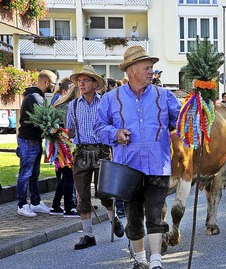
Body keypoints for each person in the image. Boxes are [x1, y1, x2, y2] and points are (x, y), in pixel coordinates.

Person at [95, 46, 180, 269]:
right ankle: (140, 259)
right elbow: (99, 127)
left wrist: (195, 116)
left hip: (157, 165)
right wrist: (115, 133)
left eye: (152, 67)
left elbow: (181, 122)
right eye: (147, 68)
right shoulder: (111, 98)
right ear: (131, 70)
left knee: (155, 214)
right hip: (128, 168)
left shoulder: (165, 96)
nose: (152, 72)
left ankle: (156, 261)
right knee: (133, 217)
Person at [66, 65, 124, 250]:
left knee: (104, 193)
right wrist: (57, 133)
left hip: (102, 150)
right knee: (82, 196)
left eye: (85, 81)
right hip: (81, 152)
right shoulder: (73, 105)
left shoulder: (105, 103)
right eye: (79, 81)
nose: (81, 84)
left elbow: (115, 126)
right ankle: (88, 235)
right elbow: (69, 130)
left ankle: (113, 219)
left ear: (94, 83)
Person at [16, 70, 57, 217]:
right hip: (29, 141)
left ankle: (35, 202)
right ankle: (22, 205)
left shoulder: (35, 96)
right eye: (53, 83)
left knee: (34, 174)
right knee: (25, 174)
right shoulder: (35, 98)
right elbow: (45, 118)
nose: (54, 86)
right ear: (46, 83)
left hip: (33, 141)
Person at [49, 82, 79, 218]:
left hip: (58, 143)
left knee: (64, 176)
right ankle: (68, 207)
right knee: (68, 176)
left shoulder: (60, 102)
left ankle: (56, 205)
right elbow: (70, 128)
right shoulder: (70, 105)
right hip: (65, 145)